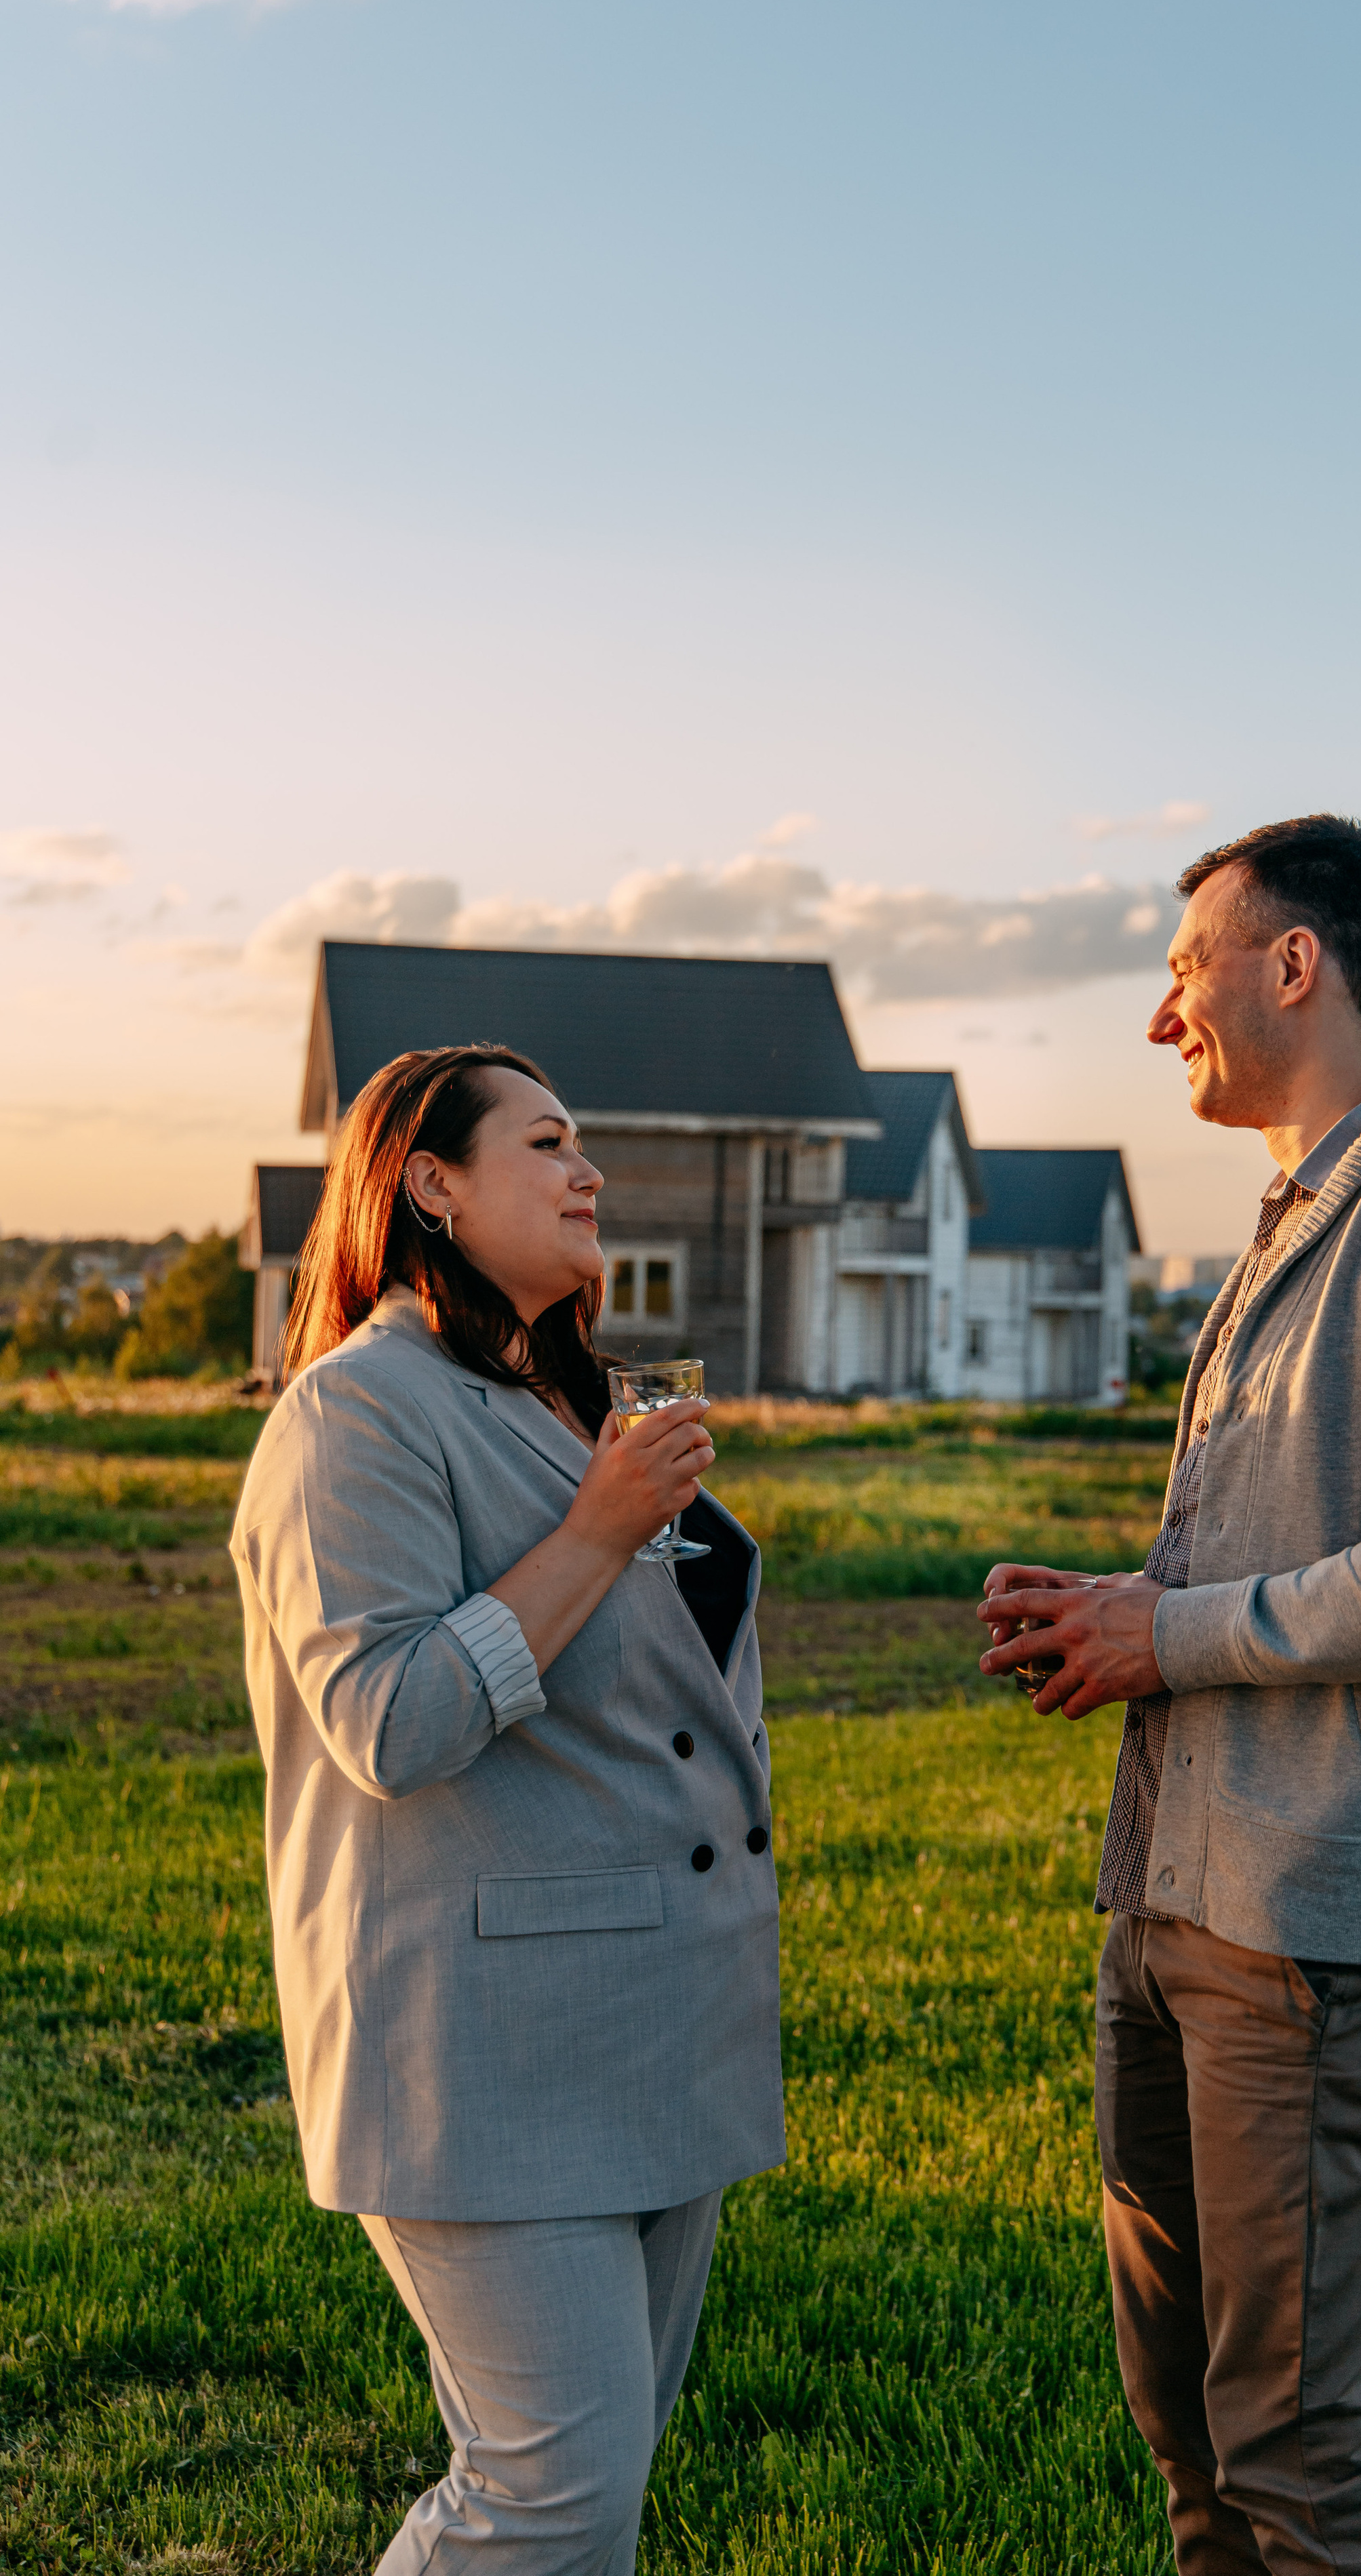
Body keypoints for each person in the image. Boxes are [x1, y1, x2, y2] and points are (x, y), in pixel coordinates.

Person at [977, 816, 1361, 2575]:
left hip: (1310, 1921)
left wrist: (1173, 1638)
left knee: (1304, 2457)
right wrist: (1127, 1611)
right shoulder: (1291, 1219)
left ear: (1295, 963)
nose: (1164, 1017)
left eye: (1185, 971)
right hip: (1177, 1893)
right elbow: (1299, 1545)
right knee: (1196, 2446)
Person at [231, 1042, 782, 2576]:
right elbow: (389, 1722)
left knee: (592, 2502)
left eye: (583, 1142)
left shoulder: (553, 1397)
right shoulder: (359, 1416)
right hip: (482, 2043)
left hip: (653, 2018)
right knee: (548, 2501)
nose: (588, 1170)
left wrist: (614, 1505)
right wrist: (603, 1529)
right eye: (547, 1144)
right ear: (430, 1187)